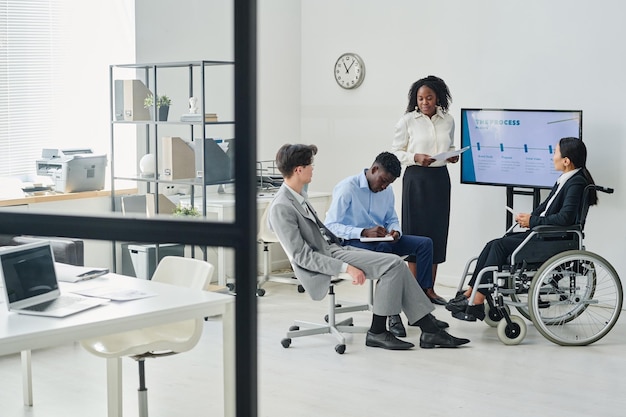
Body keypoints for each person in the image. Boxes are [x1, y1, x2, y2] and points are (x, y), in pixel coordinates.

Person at [268, 143, 470, 350]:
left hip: (334, 248)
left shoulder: (298, 196)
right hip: (329, 256)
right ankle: (381, 332)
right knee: (392, 264)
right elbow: (302, 257)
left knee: (396, 263)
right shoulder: (282, 206)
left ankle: (428, 331)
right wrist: (345, 267)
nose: (313, 168)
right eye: (310, 165)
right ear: (298, 170)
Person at [446, 137, 597, 321]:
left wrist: (532, 221)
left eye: (555, 152)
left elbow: (565, 218)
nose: (552, 156)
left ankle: (477, 300)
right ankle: (471, 292)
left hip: (555, 239)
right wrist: (528, 217)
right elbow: (545, 207)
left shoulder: (576, 182)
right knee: (492, 244)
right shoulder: (565, 179)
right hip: (544, 235)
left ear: (566, 160)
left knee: (499, 247)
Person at [324, 152, 443, 338]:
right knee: (388, 255)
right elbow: (330, 226)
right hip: (354, 243)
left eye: (389, 183)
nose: (384, 186)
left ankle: (420, 307)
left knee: (425, 244)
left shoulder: (386, 190)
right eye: (383, 181)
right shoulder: (348, 188)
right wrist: (362, 232)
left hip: (382, 240)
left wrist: (395, 231)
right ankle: (392, 314)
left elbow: (392, 218)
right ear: (374, 169)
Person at [391, 75, 458, 303]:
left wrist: (451, 155)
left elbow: (448, 145)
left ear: (438, 97)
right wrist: (415, 157)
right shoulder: (408, 121)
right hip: (416, 180)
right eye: (420, 98)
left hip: (440, 179)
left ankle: (429, 289)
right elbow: (395, 152)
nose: (425, 102)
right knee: (416, 232)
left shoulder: (448, 120)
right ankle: (415, 291)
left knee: (437, 232)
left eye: (429, 97)